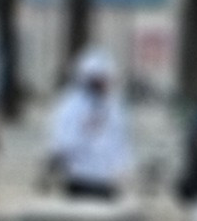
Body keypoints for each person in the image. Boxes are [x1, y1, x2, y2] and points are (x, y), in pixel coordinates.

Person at [45, 48, 137, 201]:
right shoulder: (71, 105)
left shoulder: (113, 106)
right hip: (79, 176)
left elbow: (120, 138)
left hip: (106, 177)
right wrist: (85, 130)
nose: (104, 84)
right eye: (99, 79)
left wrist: (124, 167)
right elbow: (62, 140)